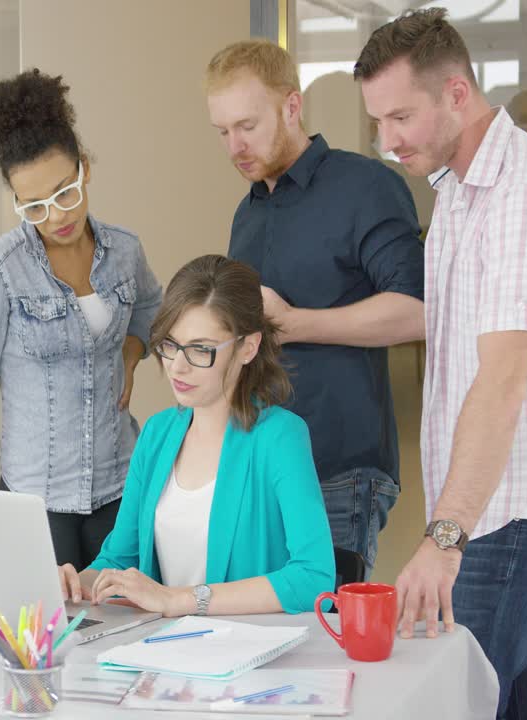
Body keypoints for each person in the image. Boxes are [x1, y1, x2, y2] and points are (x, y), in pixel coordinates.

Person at [355, 10, 527, 719]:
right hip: (504, 506)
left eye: (401, 116)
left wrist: (444, 540)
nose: (388, 140)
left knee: (456, 703)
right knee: (524, 703)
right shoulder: (459, 192)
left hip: (525, 513)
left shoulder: (521, 199)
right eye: (378, 121)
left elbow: (502, 383)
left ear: (457, 95)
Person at [203, 40, 425, 578]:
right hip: (258, 469)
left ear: (292, 106)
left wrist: (298, 323)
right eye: (223, 131)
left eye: (248, 126)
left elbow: (419, 312)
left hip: (341, 472)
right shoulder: (246, 213)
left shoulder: (366, 187)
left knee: (326, 649)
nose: (235, 146)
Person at [0, 70, 163, 570]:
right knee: (46, 641)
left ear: (85, 170)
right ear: (15, 201)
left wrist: (133, 350)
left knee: (120, 632)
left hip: (120, 487)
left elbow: (150, 305)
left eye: (65, 192)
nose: (56, 215)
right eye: (33, 205)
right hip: (35, 500)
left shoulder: (124, 251)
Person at [58, 255, 335, 616]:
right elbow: (119, 559)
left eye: (201, 349)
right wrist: (77, 582)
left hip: (245, 655)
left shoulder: (280, 437)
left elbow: (314, 578)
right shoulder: (157, 433)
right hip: (164, 650)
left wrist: (179, 600)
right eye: (170, 344)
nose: (178, 365)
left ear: (247, 347)